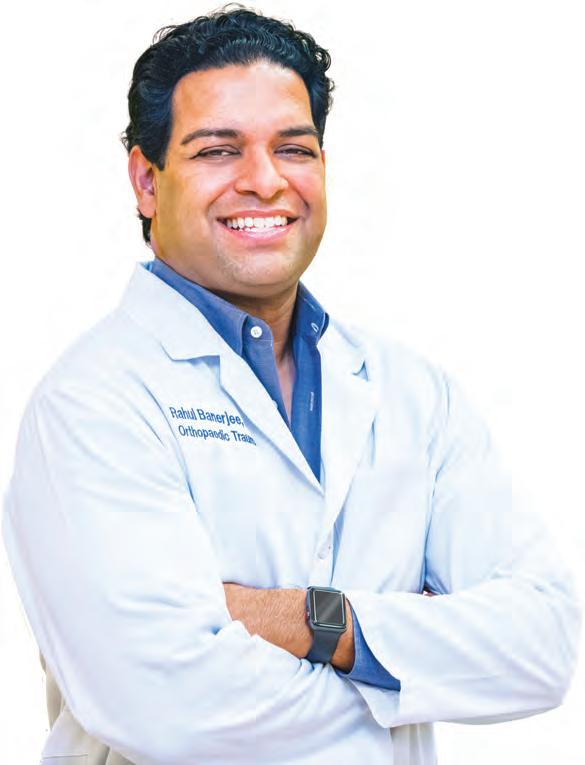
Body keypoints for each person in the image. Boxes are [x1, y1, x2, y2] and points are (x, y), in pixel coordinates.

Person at [2, 6, 580, 765]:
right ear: (146, 180)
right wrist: (415, 667)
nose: (265, 180)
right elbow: (168, 709)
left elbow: (542, 646)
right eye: (218, 150)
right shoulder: (91, 404)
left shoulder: (415, 395)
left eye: (293, 148)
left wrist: (307, 620)